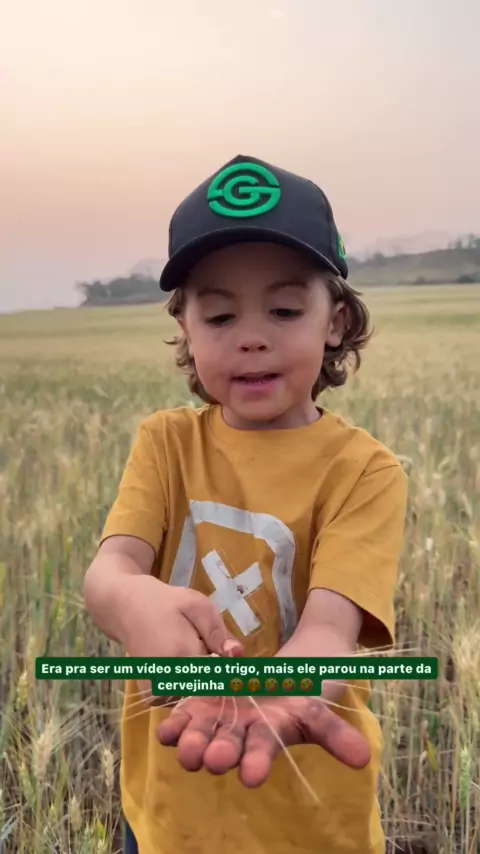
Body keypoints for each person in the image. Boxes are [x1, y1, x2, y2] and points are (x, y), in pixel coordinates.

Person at [83, 154, 408, 854]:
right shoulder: (166, 444)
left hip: (309, 817)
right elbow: (109, 573)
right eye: (220, 314)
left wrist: (284, 687)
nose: (251, 335)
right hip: (169, 808)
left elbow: (329, 628)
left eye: (285, 310)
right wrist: (133, 600)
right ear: (186, 329)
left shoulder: (364, 472)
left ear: (335, 321)